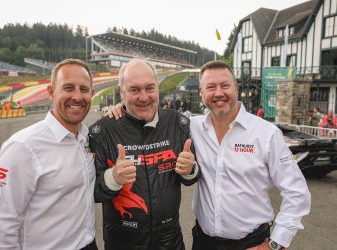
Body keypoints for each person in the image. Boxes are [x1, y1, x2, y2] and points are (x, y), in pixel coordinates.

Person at [190, 60, 311, 250]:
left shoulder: (266, 133)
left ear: (236, 89)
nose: (219, 93)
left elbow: (297, 192)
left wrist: (275, 243)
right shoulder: (192, 127)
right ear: (201, 92)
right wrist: (124, 111)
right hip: (203, 241)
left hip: (251, 244)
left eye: (225, 85)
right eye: (211, 87)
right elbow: (156, 118)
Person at [89, 59, 199, 250]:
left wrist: (191, 170)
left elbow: (191, 178)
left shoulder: (178, 123)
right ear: (121, 91)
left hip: (170, 242)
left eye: (150, 88)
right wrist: (112, 179)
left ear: (158, 87)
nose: (144, 97)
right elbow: (90, 192)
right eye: (134, 90)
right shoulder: (102, 131)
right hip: (122, 243)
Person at [0, 59, 98, 250]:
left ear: (92, 94)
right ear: (51, 92)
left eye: (84, 89)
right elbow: (1, 224)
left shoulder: (87, 136)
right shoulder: (22, 146)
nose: (77, 97)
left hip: (89, 244)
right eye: (69, 88)